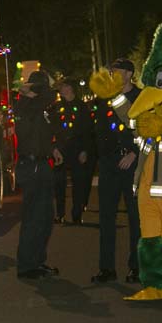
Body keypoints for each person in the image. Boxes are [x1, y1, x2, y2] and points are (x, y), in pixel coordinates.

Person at [91, 59, 142, 283]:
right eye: (111, 71)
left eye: (117, 71)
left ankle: (137, 267)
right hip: (109, 163)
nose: (113, 74)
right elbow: (99, 130)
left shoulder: (141, 97)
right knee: (106, 217)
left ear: (129, 73)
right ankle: (106, 268)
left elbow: (149, 129)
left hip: (132, 162)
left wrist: (134, 153)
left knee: (135, 218)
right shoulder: (104, 98)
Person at [14, 71, 62, 280]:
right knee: (34, 218)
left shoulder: (37, 108)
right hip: (31, 165)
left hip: (41, 163)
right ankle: (27, 265)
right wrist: (30, 91)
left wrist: (52, 149)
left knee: (44, 218)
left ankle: (37, 261)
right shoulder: (25, 106)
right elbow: (49, 97)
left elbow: (40, 134)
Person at [52, 79, 94, 226]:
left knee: (78, 183)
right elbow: (53, 129)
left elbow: (87, 131)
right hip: (61, 148)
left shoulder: (82, 107)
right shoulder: (56, 107)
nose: (61, 90)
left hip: (77, 147)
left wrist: (84, 151)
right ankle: (60, 214)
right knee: (59, 183)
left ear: (70, 88)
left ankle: (77, 214)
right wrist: (55, 148)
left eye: (63, 86)